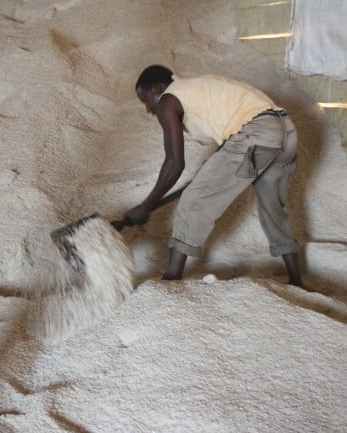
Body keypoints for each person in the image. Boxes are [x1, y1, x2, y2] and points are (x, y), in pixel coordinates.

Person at [121, 64, 304, 287]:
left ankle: (171, 279)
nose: (149, 109)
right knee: (271, 208)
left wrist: (146, 206)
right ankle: (296, 280)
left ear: (159, 88)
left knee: (194, 199)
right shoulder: (196, 88)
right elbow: (230, 139)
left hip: (256, 132)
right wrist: (209, 170)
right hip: (285, 130)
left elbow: (174, 164)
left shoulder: (168, 100)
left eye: (146, 100)